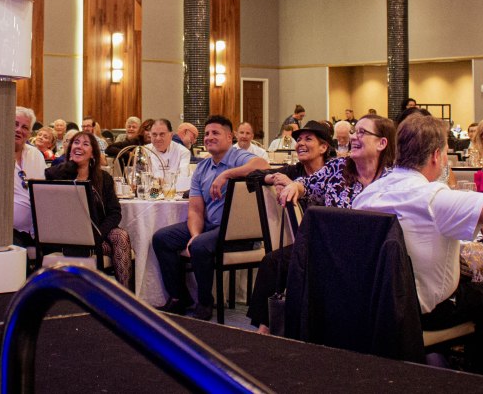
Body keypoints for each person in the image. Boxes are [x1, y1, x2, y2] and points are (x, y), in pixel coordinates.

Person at [355, 114, 483, 341]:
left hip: (373, 308)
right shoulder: (434, 199)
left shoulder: (366, 195)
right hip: (425, 313)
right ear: (436, 155)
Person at [151, 115, 269, 320]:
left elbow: (262, 165)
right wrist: (195, 234)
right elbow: (196, 210)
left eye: (215, 133)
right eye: (206, 134)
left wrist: (226, 174)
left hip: (236, 231)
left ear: (229, 137)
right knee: (162, 238)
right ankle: (180, 297)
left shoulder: (238, 157)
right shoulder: (202, 168)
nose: (209, 137)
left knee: (199, 246)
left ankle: (205, 301)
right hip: (210, 227)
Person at [246, 119, 337, 333]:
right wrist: (275, 177)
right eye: (299, 139)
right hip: (306, 243)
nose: (301, 143)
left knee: (277, 262)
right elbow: (253, 177)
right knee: (272, 261)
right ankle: (265, 327)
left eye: (308, 139)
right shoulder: (296, 171)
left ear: (324, 147)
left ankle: (266, 329)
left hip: (332, 244)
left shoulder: (335, 173)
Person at [45, 131, 132, 287]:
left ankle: (123, 294)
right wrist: (70, 167)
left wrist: (97, 235)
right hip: (69, 236)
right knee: (117, 245)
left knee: (121, 236)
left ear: (93, 153)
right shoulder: (57, 174)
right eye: (76, 143)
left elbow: (114, 213)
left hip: (98, 233)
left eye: (85, 144)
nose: (79, 146)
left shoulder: (103, 178)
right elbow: (52, 210)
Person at [278, 114, 396, 209]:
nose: (353, 137)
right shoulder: (337, 168)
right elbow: (306, 185)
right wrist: (295, 186)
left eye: (362, 132)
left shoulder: (394, 179)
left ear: (381, 143)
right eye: (354, 132)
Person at [13, 107, 47, 249]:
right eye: (15, 124)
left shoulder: (36, 155)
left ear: (29, 133)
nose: (19, 130)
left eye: (24, 127)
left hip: (37, 230)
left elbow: (44, 192)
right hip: (6, 231)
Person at [145, 118, 192, 191]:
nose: (158, 138)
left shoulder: (183, 152)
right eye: (154, 134)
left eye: (162, 134)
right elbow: (142, 180)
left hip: (174, 194)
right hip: (152, 194)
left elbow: (183, 180)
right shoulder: (145, 150)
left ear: (171, 135)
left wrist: (164, 184)